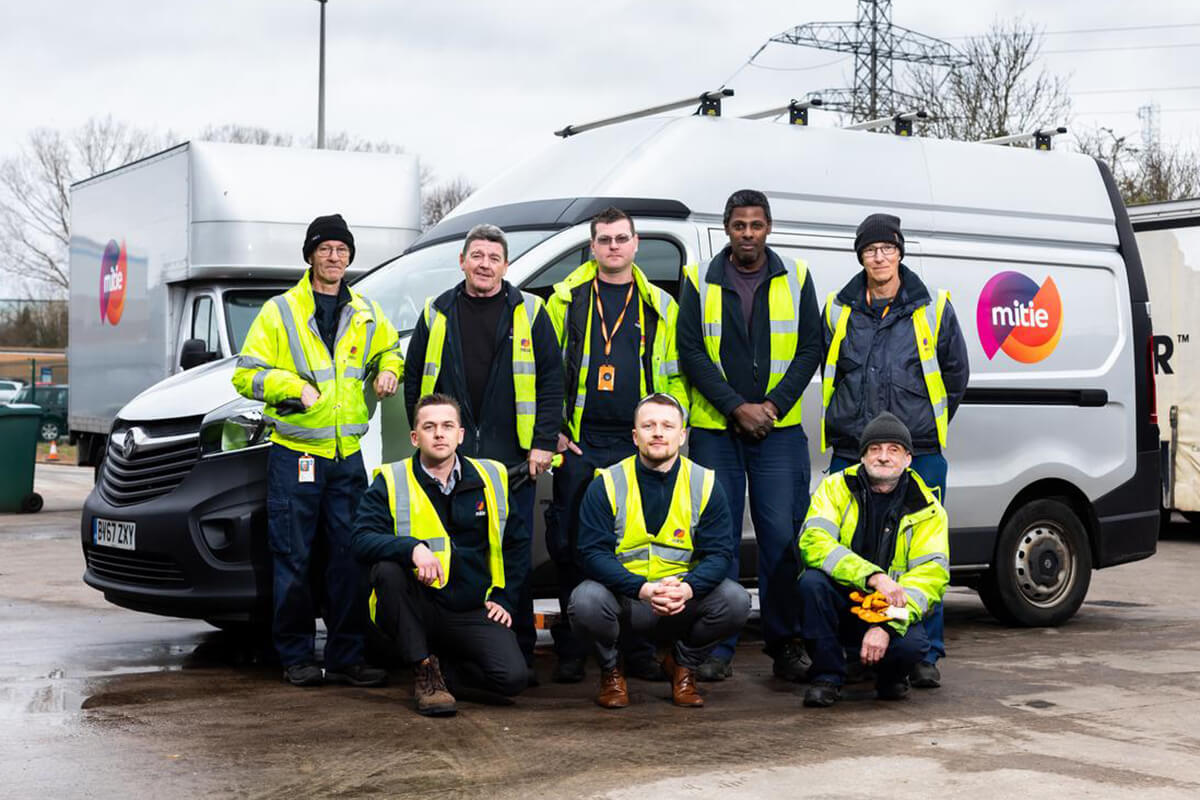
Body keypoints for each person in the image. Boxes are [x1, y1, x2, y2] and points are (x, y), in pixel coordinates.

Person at [232, 213, 401, 687]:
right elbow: (247, 373)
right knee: (294, 558)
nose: (334, 256)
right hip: (296, 455)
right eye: (325, 248)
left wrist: (389, 370)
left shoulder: (366, 311)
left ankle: (347, 656)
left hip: (348, 457)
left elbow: (390, 352)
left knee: (350, 558)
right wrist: (291, 386)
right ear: (310, 255)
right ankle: (297, 657)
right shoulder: (280, 311)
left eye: (342, 250)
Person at [403, 223, 564, 677]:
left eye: (494, 257)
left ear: (506, 265)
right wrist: (426, 438)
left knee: (514, 556)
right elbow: (415, 380)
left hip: (514, 461)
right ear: (462, 262)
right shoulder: (438, 312)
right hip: (454, 463)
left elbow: (553, 382)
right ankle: (458, 650)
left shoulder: (531, 310)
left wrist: (542, 444)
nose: (485, 264)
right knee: (460, 551)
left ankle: (519, 648)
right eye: (477, 255)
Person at [676, 189, 822, 682]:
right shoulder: (698, 278)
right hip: (717, 429)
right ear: (726, 229)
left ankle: (786, 644)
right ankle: (717, 644)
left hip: (778, 433)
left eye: (756, 225)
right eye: (739, 225)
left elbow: (810, 349)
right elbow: (691, 352)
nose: (748, 234)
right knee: (716, 540)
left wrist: (772, 406)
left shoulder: (797, 277)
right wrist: (736, 407)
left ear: (769, 228)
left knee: (782, 539)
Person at [819, 213, 969, 689]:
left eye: (887, 248)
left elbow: (955, 376)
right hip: (852, 449)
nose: (879, 257)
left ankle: (924, 651)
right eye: (870, 250)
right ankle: (851, 643)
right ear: (860, 256)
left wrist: (920, 426)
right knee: (847, 547)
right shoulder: (837, 309)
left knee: (924, 555)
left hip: (918, 450)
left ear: (900, 252)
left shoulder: (934, 307)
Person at [544, 206, 688, 684]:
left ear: (635, 244)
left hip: (639, 446)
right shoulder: (566, 300)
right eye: (603, 239)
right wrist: (555, 431)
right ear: (592, 246)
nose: (612, 247)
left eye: (621, 238)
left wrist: (669, 433)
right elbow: (548, 374)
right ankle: (572, 647)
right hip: (580, 444)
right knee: (569, 545)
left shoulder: (659, 305)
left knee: (638, 546)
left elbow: (673, 375)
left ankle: (638, 649)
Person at [351, 393, 528, 716]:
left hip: (469, 606)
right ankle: (424, 670)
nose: (439, 433)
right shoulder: (391, 480)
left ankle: (446, 671)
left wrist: (505, 598)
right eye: (429, 427)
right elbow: (360, 539)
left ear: (460, 435)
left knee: (513, 679)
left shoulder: (492, 477)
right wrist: (412, 548)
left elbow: (516, 543)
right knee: (387, 570)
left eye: (448, 426)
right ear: (415, 437)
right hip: (416, 604)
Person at [569, 393, 750, 708]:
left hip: (680, 600)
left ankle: (682, 666)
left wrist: (688, 589)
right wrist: (642, 589)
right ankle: (612, 671)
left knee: (736, 600)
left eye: (667, 426)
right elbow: (591, 554)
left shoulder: (705, 483)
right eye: (648, 425)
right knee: (584, 601)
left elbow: (720, 554)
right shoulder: (607, 483)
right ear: (635, 435)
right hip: (628, 598)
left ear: (682, 435)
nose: (657, 432)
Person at [797, 412, 949, 707]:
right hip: (844, 599)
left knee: (913, 645)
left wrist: (886, 626)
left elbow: (930, 579)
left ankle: (890, 677)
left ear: (907, 459)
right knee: (811, 583)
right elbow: (813, 542)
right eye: (875, 449)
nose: (883, 457)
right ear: (863, 456)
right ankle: (827, 677)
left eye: (893, 450)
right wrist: (872, 577)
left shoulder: (929, 509)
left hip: (892, 607)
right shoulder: (834, 488)